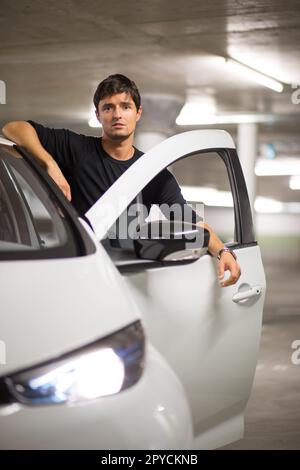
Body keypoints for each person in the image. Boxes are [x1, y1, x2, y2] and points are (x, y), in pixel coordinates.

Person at [2, 74, 241, 287]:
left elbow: (191, 222)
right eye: (108, 107)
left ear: (138, 113)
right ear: (98, 115)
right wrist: (50, 163)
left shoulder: (153, 172)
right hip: (79, 269)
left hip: (127, 278)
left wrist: (223, 251)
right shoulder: (76, 148)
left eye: (125, 106)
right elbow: (14, 128)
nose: (117, 114)